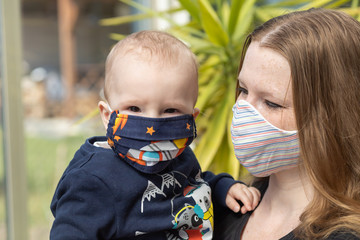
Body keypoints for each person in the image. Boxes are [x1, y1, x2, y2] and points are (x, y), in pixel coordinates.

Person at [50, 30, 260, 240]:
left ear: (191, 119)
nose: (154, 124)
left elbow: (192, 183)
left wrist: (222, 188)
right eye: (134, 108)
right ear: (107, 115)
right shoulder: (92, 181)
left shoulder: (177, 154)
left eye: (170, 111)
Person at [213, 8, 360, 240]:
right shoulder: (223, 205)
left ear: (332, 114)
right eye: (243, 90)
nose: (243, 112)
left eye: (272, 103)